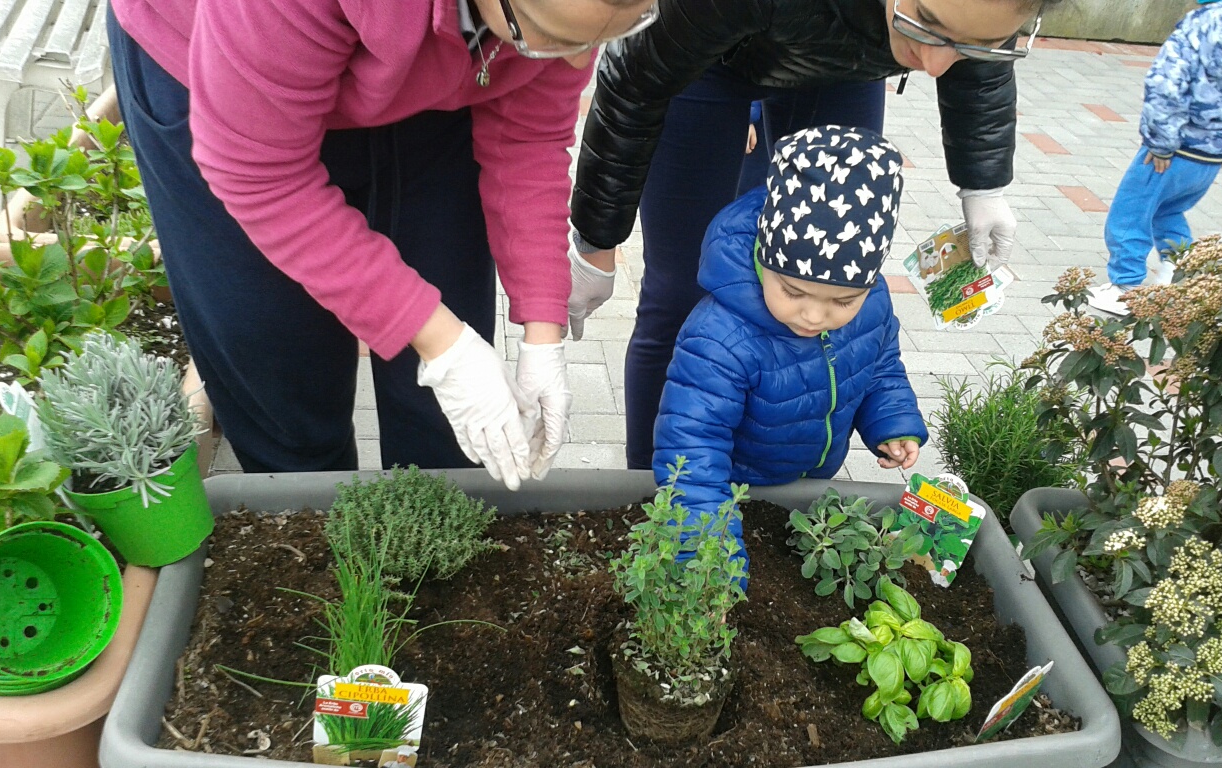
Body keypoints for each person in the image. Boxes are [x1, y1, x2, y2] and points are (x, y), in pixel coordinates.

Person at [106, 0, 657, 489]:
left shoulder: (548, 22)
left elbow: (528, 135)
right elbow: (261, 177)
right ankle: (313, 532)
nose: (565, 59)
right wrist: (447, 347)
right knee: (283, 375)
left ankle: (431, 540)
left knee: (441, 408)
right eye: (545, 34)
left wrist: (542, 333)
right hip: (233, 85)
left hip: (436, 61)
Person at [565, 0, 1063, 470]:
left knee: (829, 283)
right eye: (924, 21)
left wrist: (983, 182)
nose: (934, 66)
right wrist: (597, 241)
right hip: (702, 57)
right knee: (680, 294)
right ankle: (653, 490)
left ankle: (770, 483)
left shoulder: (955, 27)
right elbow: (634, 82)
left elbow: (973, 32)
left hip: (841, 60)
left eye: (961, 43)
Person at [653, 126, 928, 577]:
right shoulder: (720, 336)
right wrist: (710, 557)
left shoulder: (872, 304)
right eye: (794, 291)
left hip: (810, 487)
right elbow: (692, 448)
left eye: (842, 301)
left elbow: (880, 367)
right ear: (763, 258)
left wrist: (892, 422)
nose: (815, 316)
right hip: (735, 490)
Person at [1089, 0, 1222, 316]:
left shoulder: (1204, 21)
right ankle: (1180, 276)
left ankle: (1124, 287)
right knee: (1168, 211)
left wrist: (1161, 142)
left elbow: (1166, 83)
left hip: (1174, 148)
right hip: (1214, 154)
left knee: (1131, 211)